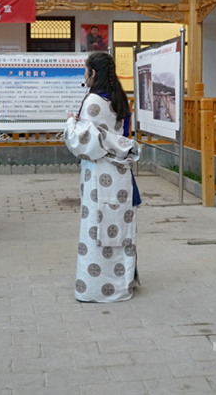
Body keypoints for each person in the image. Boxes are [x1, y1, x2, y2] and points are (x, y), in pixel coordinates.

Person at [64, 52, 141, 303]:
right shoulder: (120, 98)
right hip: (120, 173)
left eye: (85, 71)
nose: (84, 76)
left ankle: (96, 288)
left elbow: (82, 142)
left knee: (95, 228)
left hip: (98, 172)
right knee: (119, 227)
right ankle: (123, 281)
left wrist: (69, 124)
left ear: (92, 73)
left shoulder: (92, 101)